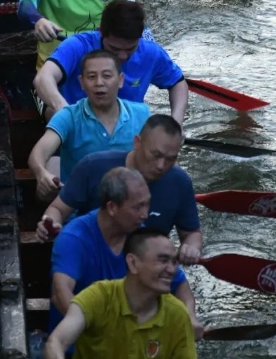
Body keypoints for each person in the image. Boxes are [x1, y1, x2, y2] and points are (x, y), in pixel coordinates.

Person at [47, 168, 199, 336]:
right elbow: (60, 294)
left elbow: (181, 286)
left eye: (147, 204)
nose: (145, 215)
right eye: (138, 207)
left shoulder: (141, 238)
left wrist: (190, 318)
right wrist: (101, 331)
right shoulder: (74, 238)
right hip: (81, 345)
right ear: (112, 207)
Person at [39, 116, 203, 268]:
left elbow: (192, 233)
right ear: (137, 143)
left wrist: (191, 247)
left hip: (145, 269)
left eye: (170, 159)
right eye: (155, 155)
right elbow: (58, 209)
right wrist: (51, 224)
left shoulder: (180, 182)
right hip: (93, 260)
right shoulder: (93, 166)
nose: (161, 166)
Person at [45, 229, 197, 359]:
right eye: (163, 260)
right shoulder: (99, 296)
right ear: (133, 263)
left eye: (174, 262)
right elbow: (56, 342)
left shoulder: (177, 314)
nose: (172, 270)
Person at [33, 0, 189, 125]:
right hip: (76, 123)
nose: (122, 56)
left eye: (130, 49)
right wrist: (63, 109)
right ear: (101, 32)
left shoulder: (151, 52)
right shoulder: (76, 45)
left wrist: (176, 122)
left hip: (124, 125)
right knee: (53, 113)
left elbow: (178, 83)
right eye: (114, 49)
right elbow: (43, 78)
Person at [28, 50, 149, 189]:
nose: (99, 83)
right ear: (82, 82)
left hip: (130, 202)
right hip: (79, 205)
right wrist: (42, 173)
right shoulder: (68, 116)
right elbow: (39, 152)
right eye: (91, 77)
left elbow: (159, 155)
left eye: (107, 76)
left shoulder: (142, 113)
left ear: (120, 80)